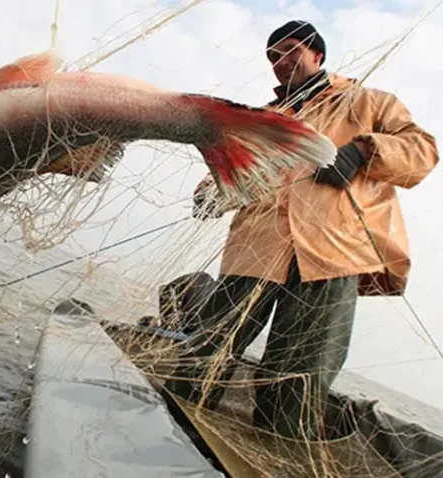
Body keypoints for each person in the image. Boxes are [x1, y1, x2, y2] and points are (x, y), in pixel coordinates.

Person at [164, 20, 439, 441]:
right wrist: (210, 194)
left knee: (300, 372)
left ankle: (280, 445)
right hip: (254, 248)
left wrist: (363, 150)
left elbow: (423, 151)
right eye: (273, 57)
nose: (281, 62)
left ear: (317, 55)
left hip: (331, 253)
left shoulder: (368, 102)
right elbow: (231, 168)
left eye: (290, 50)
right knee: (207, 349)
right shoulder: (263, 119)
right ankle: (170, 428)